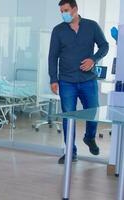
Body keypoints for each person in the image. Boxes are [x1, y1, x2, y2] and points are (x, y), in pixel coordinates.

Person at [48, 0, 109, 164]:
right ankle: (70, 153)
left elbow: (104, 45)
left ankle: (89, 138)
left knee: (93, 113)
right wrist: (53, 79)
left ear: (75, 9)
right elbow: (52, 56)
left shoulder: (92, 26)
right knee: (69, 117)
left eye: (66, 10)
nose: (63, 14)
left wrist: (93, 59)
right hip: (67, 82)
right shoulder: (58, 30)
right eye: (61, 11)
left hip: (88, 80)